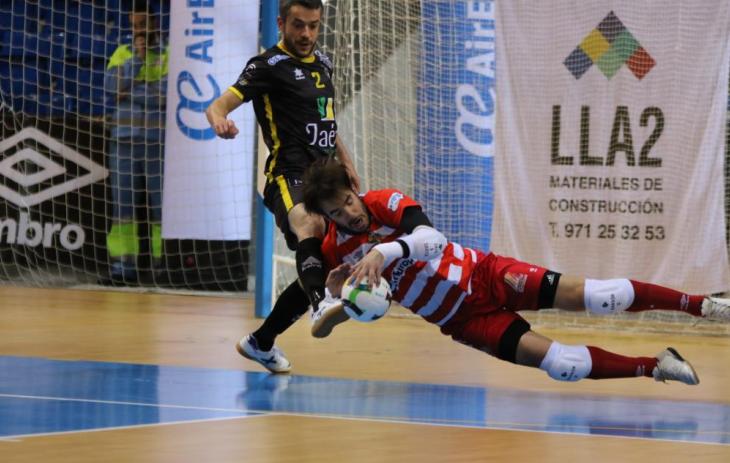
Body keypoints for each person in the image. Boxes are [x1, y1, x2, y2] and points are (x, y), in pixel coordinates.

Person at [236, 156, 730, 382]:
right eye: (338, 213)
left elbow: (431, 239)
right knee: (564, 365)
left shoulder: (384, 202)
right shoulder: (335, 250)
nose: (350, 215)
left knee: (602, 296)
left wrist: (384, 253)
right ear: (327, 216)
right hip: (464, 320)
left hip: (486, 275)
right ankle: (655, 366)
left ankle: (703, 305)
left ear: (353, 188)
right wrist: (339, 302)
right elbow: (324, 327)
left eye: (348, 201)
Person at [205, 0, 360, 345]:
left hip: (326, 176)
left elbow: (325, 118)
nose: (306, 34)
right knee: (311, 225)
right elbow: (217, 106)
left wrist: (346, 160)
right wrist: (219, 121)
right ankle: (321, 305)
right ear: (281, 23)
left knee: (322, 259)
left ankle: (261, 342)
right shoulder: (266, 65)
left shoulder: (324, 63)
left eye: (313, 26)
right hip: (287, 173)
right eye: (298, 25)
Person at [104, 0, 168, 283]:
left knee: (160, 209)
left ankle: (161, 265)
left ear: (154, 23)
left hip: (157, 142)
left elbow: (166, 96)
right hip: (123, 141)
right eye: (134, 26)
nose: (138, 30)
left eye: (143, 24)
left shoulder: (168, 54)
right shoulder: (122, 53)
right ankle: (122, 266)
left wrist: (130, 91)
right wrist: (138, 61)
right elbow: (112, 88)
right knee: (123, 208)